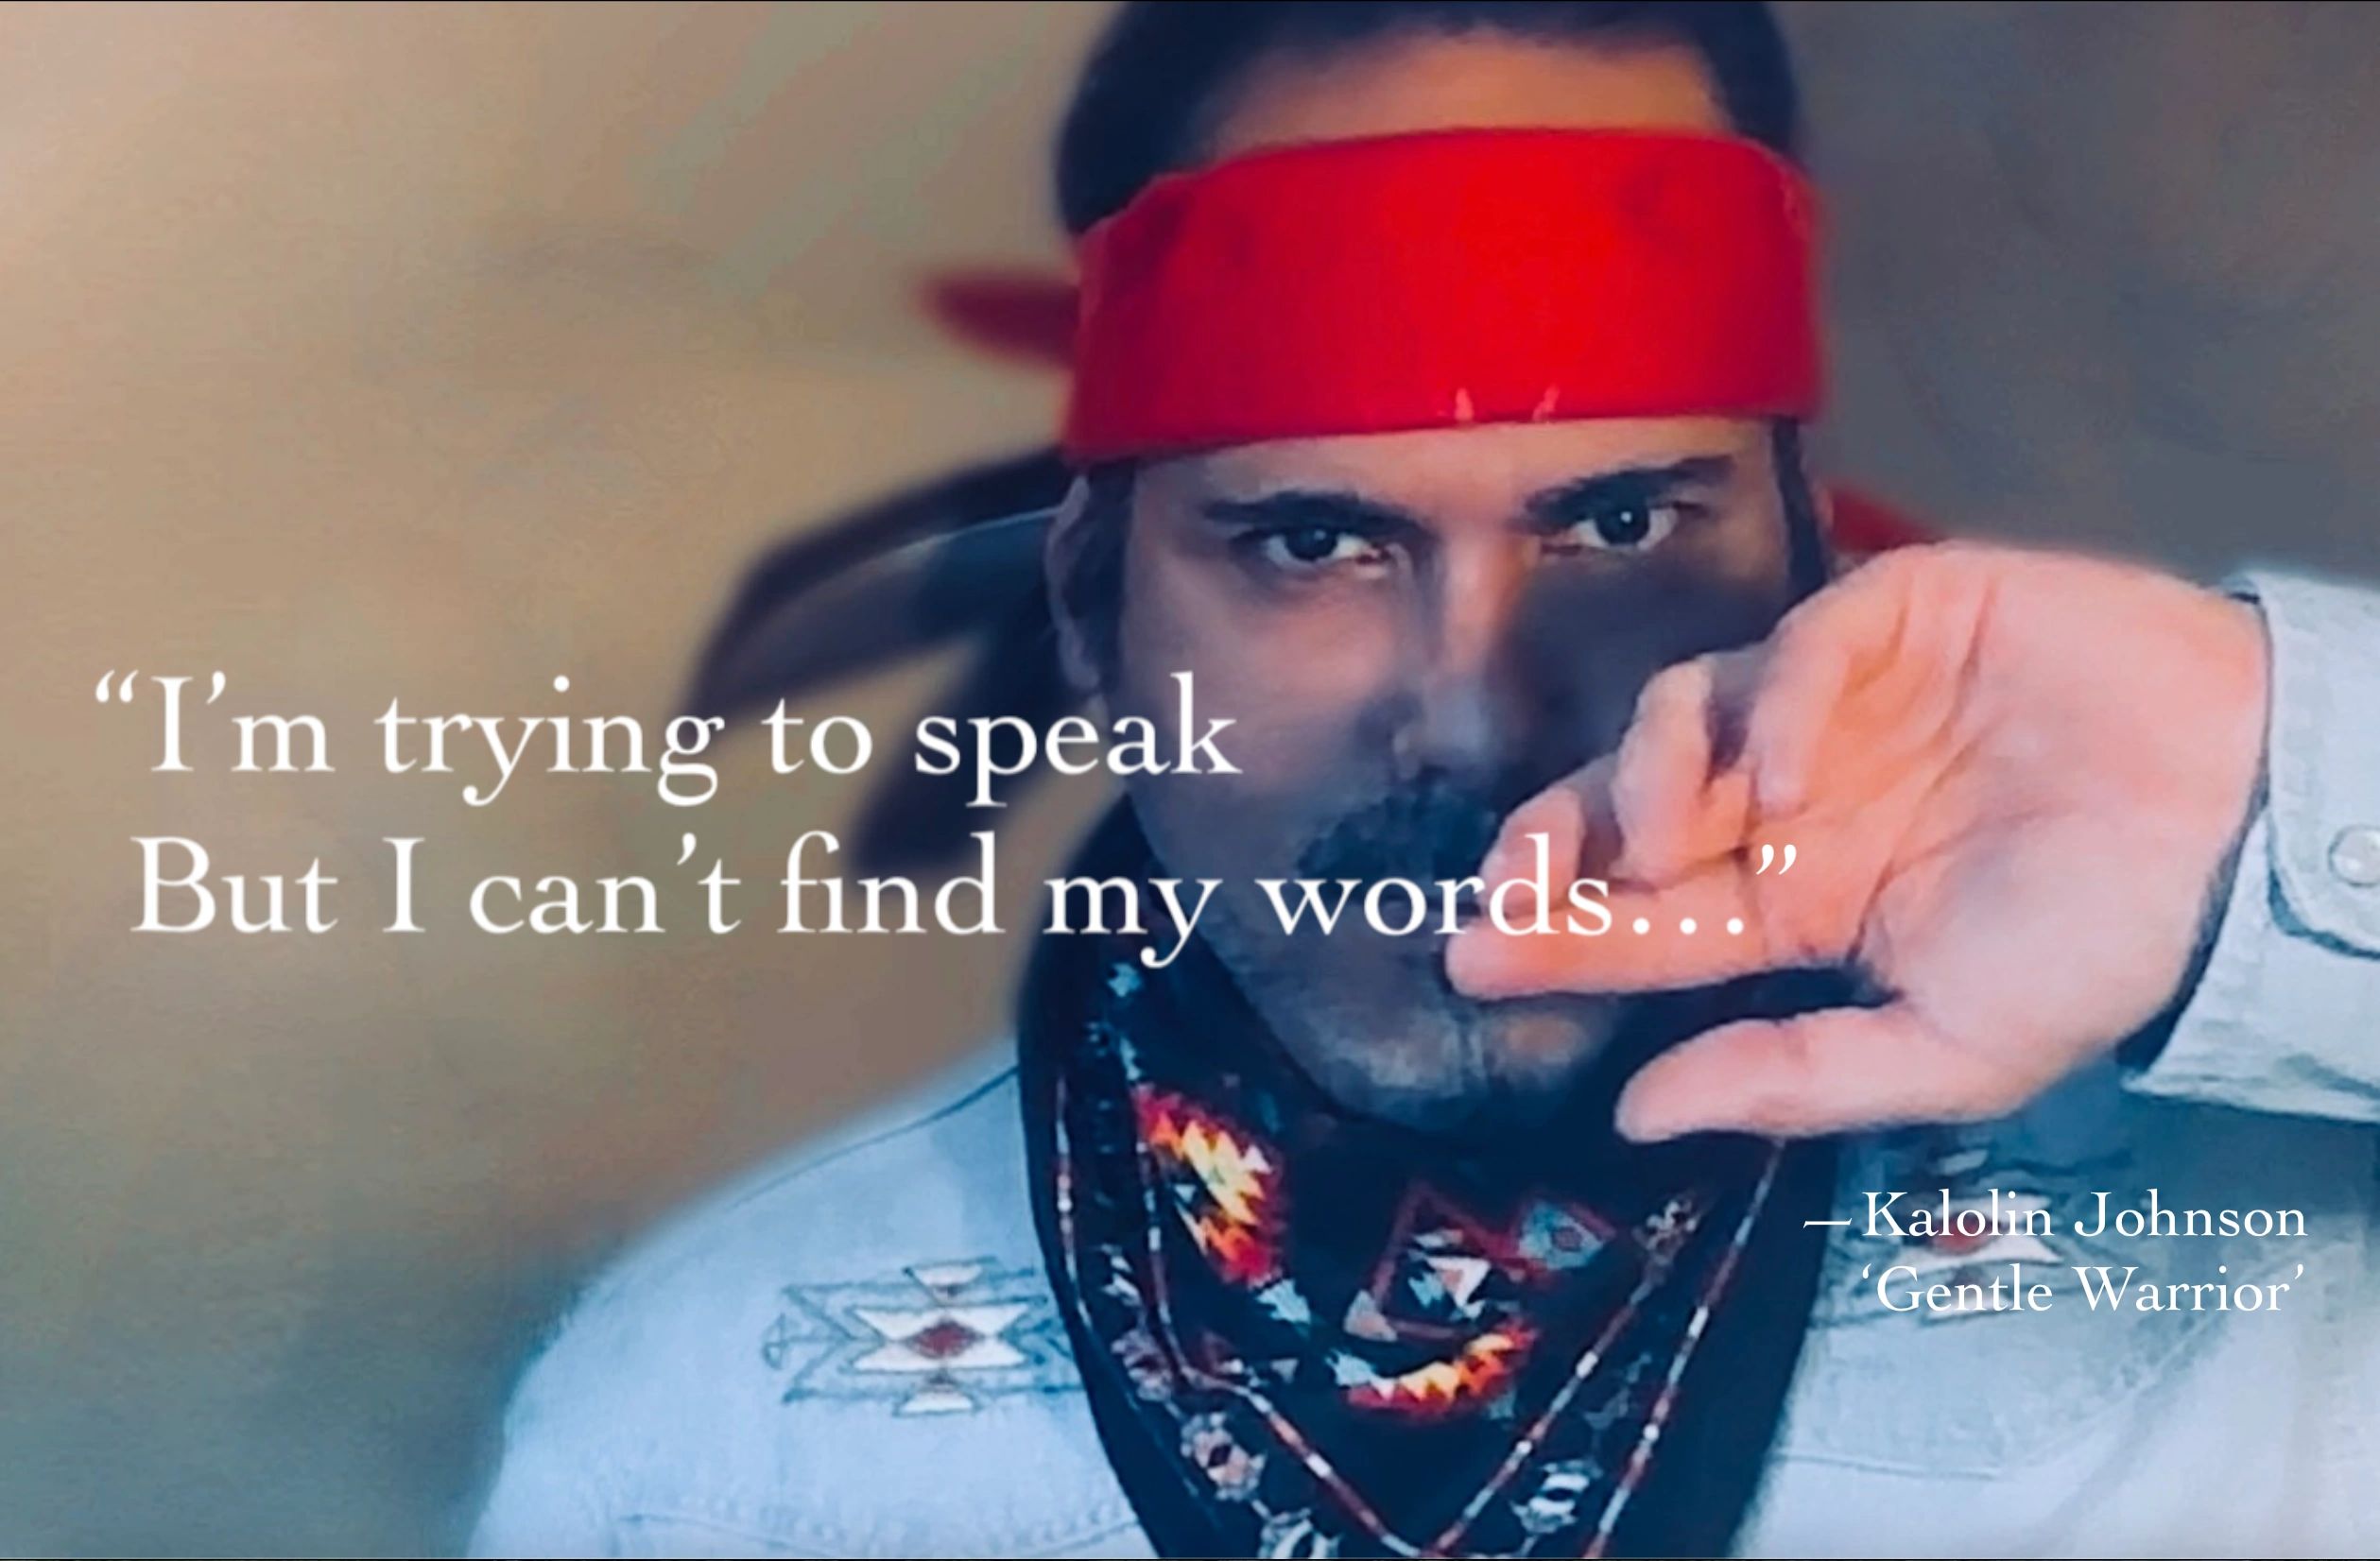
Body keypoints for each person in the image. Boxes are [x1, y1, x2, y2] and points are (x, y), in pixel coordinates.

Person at [472, 4, 2380, 1556]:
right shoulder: (709, 1429)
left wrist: (2272, 801)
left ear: (1813, 567)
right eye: (1312, 543)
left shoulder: (2292, 1274)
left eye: (1618, 518)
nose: (1474, 725)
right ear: (1085, 600)